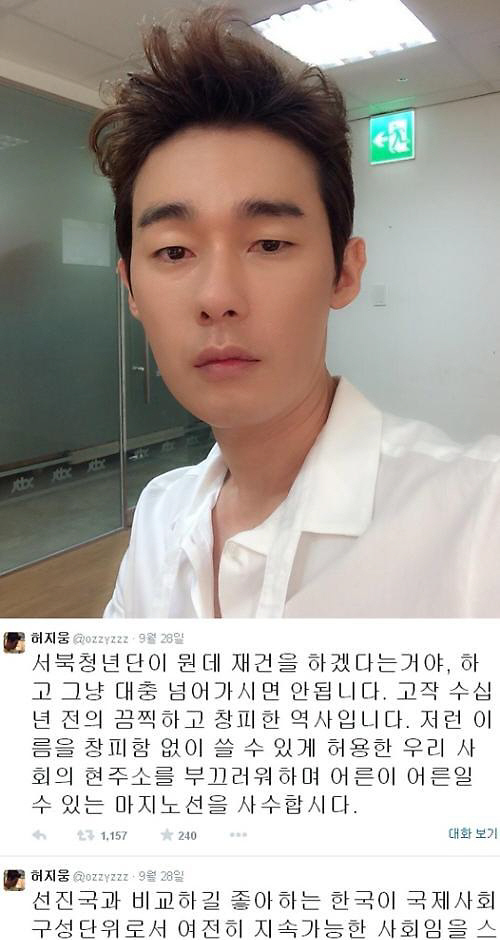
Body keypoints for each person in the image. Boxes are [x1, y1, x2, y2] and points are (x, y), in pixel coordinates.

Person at [89, 6, 500, 619]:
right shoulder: (158, 517)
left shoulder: (476, 521)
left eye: (269, 243)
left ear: (345, 272)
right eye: (174, 251)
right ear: (131, 289)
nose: (217, 297)